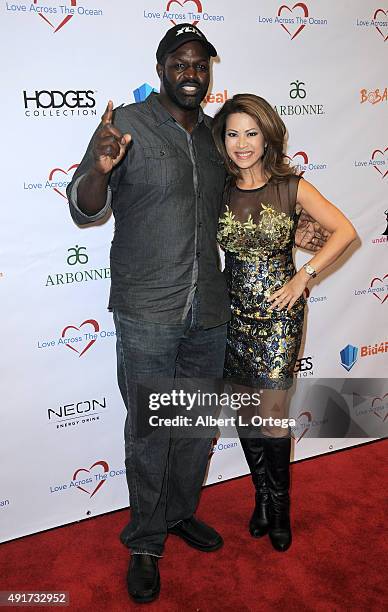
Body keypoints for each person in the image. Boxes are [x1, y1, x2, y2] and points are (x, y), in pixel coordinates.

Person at [67, 25, 327, 603]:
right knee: (150, 430)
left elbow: (258, 205)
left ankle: (180, 514)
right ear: (161, 66)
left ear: (209, 71)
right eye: (180, 63)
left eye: (200, 65)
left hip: (210, 309)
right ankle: (144, 539)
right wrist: (101, 170)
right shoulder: (125, 127)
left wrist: (305, 262)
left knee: (193, 429)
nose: (191, 73)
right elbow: (84, 209)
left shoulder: (217, 138)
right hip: (147, 309)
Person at [213, 94, 356, 552]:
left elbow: (344, 231)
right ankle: (260, 496)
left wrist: (303, 277)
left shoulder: (291, 186)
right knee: (244, 413)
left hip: (278, 317)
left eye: (251, 133)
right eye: (233, 133)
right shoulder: (217, 187)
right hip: (230, 314)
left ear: (267, 136)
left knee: (272, 414)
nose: (242, 144)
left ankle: (279, 506)